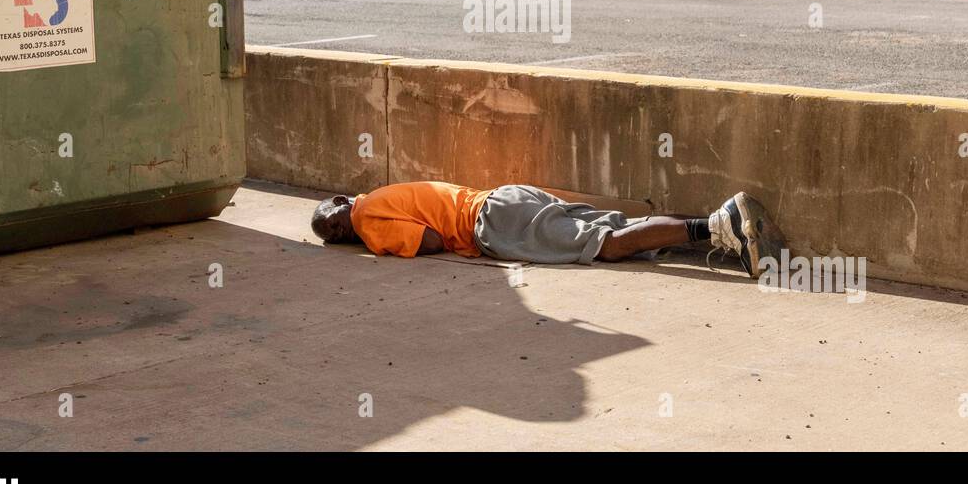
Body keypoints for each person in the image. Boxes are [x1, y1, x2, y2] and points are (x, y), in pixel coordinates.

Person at [309, 181, 786, 274]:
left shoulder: (366, 218)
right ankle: (728, 222)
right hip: (506, 196)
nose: (335, 234)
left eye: (329, 226)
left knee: (609, 245)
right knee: (619, 225)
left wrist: (381, 247)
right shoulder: (383, 192)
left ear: (339, 205)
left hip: (492, 223)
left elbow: (429, 241)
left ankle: (720, 226)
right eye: (331, 235)